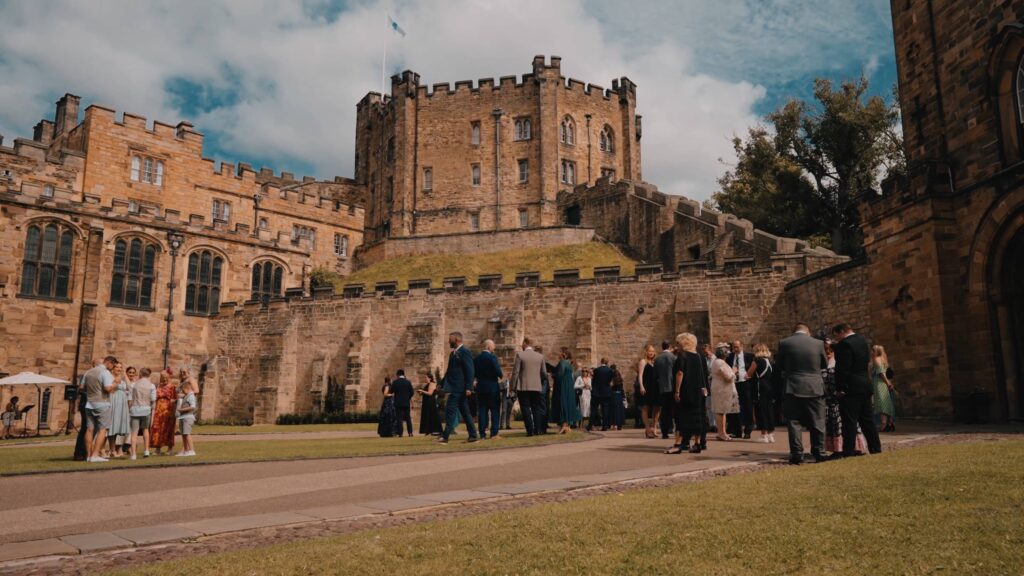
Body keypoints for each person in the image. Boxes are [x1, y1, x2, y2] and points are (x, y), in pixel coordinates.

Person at [776, 323, 827, 465]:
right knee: (818, 421)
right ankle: (819, 452)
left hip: (793, 386)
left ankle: (797, 454)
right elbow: (824, 364)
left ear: (794, 331)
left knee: (794, 422)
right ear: (808, 332)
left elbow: (779, 364)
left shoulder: (784, 343)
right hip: (814, 386)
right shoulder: (818, 343)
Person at [831, 323, 882, 457]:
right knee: (868, 420)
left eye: (837, 335)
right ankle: (875, 448)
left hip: (851, 387)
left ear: (842, 331)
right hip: (865, 384)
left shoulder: (844, 345)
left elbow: (842, 369)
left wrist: (840, 387)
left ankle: (848, 450)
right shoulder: (862, 341)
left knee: (849, 421)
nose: (837, 339)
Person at [667, 332, 708, 454]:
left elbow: (680, 373)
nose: (677, 345)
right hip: (699, 391)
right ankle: (697, 443)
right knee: (697, 417)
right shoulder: (700, 357)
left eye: (678, 343)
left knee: (682, 416)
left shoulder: (683, 356)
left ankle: (678, 444)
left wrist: (677, 391)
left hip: (686, 390)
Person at [439, 332, 478, 444]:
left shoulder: (464, 352)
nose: (448, 341)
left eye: (450, 339)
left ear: (456, 340)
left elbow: (470, 371)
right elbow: (449, 371)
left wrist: (469, 387)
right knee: (465, 412)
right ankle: (473, 435)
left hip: (459, 388)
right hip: (455, 387)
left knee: (450, 410)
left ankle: (445, 436)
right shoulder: (453, 354)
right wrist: (441, 383)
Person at [82, 356, 117, 463]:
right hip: (102, 403)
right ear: (109, 363)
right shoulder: (105, 372)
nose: (113, 368)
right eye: (113, 365)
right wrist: (115, 383)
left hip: (89, 403)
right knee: (103, 429)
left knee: (89, 429)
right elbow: (107, 388)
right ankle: (95, 455)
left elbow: (81, 387)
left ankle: (88, 455)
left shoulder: (88, 372)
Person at [511, 337, 546, 436]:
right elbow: (544, 373)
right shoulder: (540, 356)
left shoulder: (520, 355)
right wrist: (539, 380)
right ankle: (538, 429)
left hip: (523, 386)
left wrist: (512, 387)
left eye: (522, 343)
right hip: (536, 386)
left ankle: (530, 430)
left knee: (525, 408)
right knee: (536, 408)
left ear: (525, 343)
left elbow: (516, 372)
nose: (521, 345)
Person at [474, 340, 504, 439]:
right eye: (493, 347)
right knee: (495, 410)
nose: (493, 349)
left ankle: (482, 433)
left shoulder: (477, 359)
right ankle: (494, 433)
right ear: (488, 347)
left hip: (481, 387)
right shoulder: (492, 358)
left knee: (482, 411)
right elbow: (499, 372)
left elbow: (474, 373)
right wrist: (500, 374)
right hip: (492, 388)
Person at [746, 344, 775, 443]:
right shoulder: (770, 361)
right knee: (769, 409)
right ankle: (771, 433)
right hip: (770, 386)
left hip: (760, 387)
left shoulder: (757, 361)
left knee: (761, 410)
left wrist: (747, 376)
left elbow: (748, 374)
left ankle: (764, 434)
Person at [727, 340, 755, 439]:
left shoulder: (749, 356)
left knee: (747, 407)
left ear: (742, 346)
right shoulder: (730, 357)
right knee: (735, 407)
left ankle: (748, 430)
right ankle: (736, 431)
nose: (735, 349)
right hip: (734, 384)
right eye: (734, 347)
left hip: (745, 383)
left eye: (737, 347)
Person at [709, 346, 739, 441]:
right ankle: (721, 433)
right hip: (721, 389)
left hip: (720, 388)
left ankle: (723, 433)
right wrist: (734, 371)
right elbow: (728, 377)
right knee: (720, 411)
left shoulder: (717, 362)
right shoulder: (720, 362)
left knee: (722, 411)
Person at [128, 367, 157, 459]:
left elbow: (130, 400)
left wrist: (130, 409)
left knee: (134, 432)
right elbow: (153, 399)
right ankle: (146, 451)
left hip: (135, 409)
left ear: (140, 374)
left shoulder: (133, 385)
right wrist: (152, 410)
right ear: (149, 375)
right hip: (146, 410)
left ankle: (133, 454)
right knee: (145, 430)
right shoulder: (151, 386)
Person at [150, 370, 178, 455]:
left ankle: (170, 449)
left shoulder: (172, 386)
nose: (164, 378)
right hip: (158, 410)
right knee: (157, 429)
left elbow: (175, 399)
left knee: (168, 429)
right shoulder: (158, 386)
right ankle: (158, 449)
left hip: (168, 410)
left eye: (165, 377)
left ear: (168, 377)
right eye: (162, 376)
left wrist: (173, 411)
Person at [107, 363, 131, 458]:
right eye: (117, 367)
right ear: (113, 368)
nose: (119, 369)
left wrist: (125, 375)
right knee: (112, 426)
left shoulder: (123, 378)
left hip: (122, 404)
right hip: (113, 401)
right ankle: (112, 450)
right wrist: (117, 380)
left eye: (121, 367)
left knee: (117, 427)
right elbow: (111, 387)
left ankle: (114, 450)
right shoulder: (110, 377)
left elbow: (130, 387)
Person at [554, 349, 580, 433]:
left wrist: (553, 374)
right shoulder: (569, 364)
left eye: (560, 352)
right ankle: (567, 425)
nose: (558, 354)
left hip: (563, 385)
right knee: (568, 403)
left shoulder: (562, 362)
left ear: (563, 354)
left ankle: (564, 425)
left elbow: (560, 374)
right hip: (569, 385)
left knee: (563, 402)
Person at [872, 345, 896, 433]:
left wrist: (887, 382)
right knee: (887, 402)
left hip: (879, 383)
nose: (871, 352)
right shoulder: (883, 358)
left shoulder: (876, 359)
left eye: (873, 350)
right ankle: (890, 423)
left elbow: (881, 373)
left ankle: (884, 424)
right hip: (884, 383)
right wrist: (889, 382)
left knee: (881, 403)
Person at [638, 343, 661, 439]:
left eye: (652, 351)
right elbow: (640, 375)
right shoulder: (643, 361)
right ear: (646, 352)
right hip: (646, 386)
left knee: (657, 408)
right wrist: (641, 386)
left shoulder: (655, 361)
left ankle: (654, 427)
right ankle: (647, 429)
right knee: (645, 408)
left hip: (655, 387)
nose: (651, 352)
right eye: (649, 351)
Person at [175, 371, 198, 457]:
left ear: (187, 389)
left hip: (188, 417)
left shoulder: (191, 396)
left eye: (183, 390)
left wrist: (182, 409)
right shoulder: (186, 396)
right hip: (183, 417)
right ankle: (185, 450)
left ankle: (191, 450)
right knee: (183, 434)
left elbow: (193, 407)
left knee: (187, 434)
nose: (182, 392)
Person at [590, 358, 614, 431]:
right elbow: (610, 380)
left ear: (601, 362)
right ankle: (605, 426)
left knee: (594, 409)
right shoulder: (610, 370)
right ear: (607, 362)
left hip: (597, 392)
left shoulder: (596, 370)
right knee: (605, 410)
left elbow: (594, 381)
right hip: (606, 392)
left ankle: (590, 425)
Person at [119, 366, 139, 453]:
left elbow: (131, 388)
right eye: (129, 372)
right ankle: (118, 448)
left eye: (132, 372)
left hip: (132, 409)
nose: (131, 374)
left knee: (131, 428)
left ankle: (128, 447)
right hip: (122, 407)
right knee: (121, 427)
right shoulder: (122, 383)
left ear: (135, 374)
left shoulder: (136, 384)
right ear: (126, 373)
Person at [390, 369, 415, 437]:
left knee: (399, 419)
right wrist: (407, 397)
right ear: (403, 375)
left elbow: (391, 391)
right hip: (406, 403)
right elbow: (412, 392)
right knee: (408, 418)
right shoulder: (408, 382)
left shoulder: (395, 382)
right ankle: (410, 433)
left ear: (398, 375)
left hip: (398, 403)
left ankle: (400, 433)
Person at [700, 343, 716, 433]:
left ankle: (716, 424)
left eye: (706, 352)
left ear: (710, 350)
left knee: (714, 403)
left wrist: (710, 376)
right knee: (708, 404)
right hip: (707, 384)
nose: (705, 354)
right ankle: (711, 424)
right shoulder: (704, 359)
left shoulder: (715, 359)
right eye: (704, 352)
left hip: (714, 383)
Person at [610, 364, 626, 430]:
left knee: (614, 410)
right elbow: (622, 389)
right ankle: (620, 425)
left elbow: (611, 388)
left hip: (614, 395)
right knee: (619, 410)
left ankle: (615, 424)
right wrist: (623, 397)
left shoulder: (612, 381)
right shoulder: (620, 381)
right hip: (619, 396)